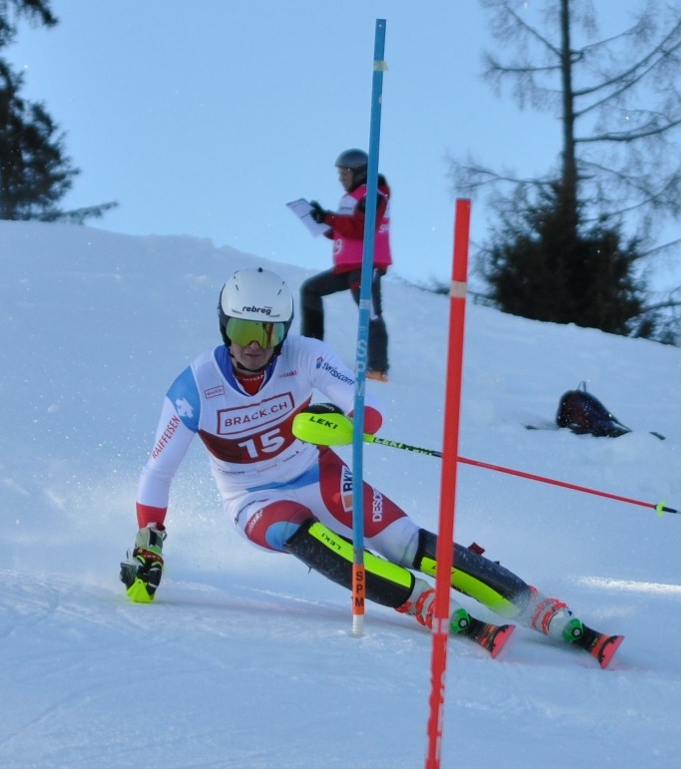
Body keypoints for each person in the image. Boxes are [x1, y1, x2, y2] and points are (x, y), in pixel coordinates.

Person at [122, 267, 623, 667]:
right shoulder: (195, 386)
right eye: (243, 329)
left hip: (317, 473)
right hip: (253, 500)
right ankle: (418, 602)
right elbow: (157, 472)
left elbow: (367, 410)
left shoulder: (305, 355)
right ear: (224, 326)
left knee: (405, 541)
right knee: (302, 531)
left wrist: (344, 423)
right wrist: (151, 538)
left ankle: (533, 606)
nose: (255, 344)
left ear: (284, 330)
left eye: (269, 330)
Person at [301, 148, 391, 382]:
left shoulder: (374, 195)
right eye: (340, 173)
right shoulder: (351, 197)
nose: (341, 178)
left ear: (359, 173)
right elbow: (344, 231)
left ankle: (377, 368)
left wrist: (329, 218)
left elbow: (362, 227)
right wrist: (321, 222)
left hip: (364, 265)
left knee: (368, 311)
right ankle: (311, 350)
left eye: (345, 173)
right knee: (310, 289)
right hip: (347, 266)